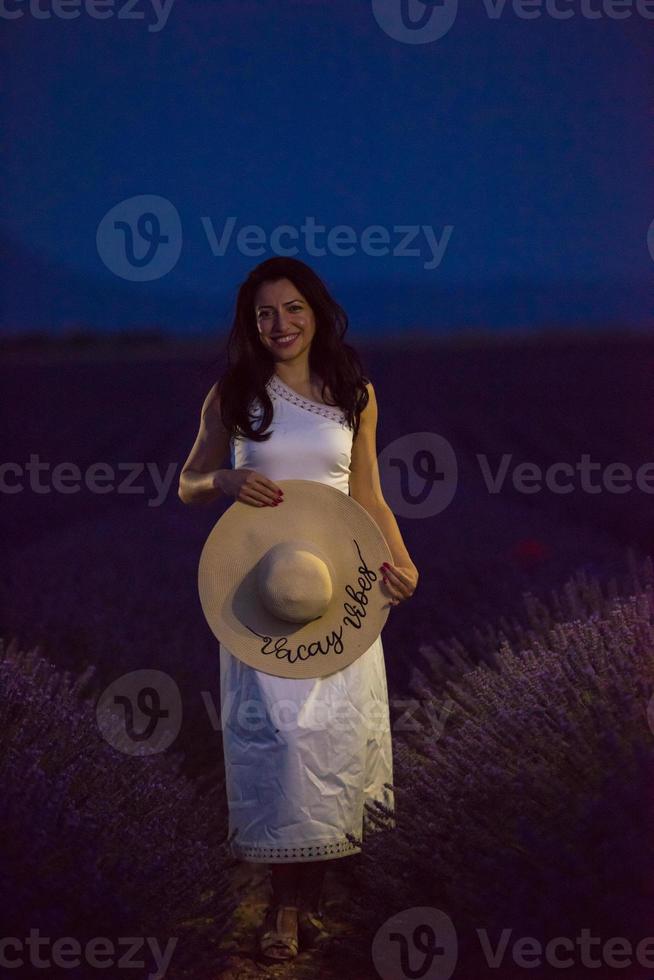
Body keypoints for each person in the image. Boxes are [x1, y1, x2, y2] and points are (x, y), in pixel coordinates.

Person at [178, 256, 418, 961]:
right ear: (250, 324)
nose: (279, 325)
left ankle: (309, 899)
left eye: (292, 309)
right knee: (281, 746)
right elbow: (187, 483)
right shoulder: (235, 394)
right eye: (263, 314)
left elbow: (368, 494)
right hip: (261, 596)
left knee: (331, 747)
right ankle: (284, 908)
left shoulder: (355, 393)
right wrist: (224, 477)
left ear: (316, 312)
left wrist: (399, 560)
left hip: (339, 590)